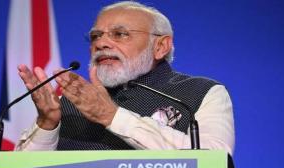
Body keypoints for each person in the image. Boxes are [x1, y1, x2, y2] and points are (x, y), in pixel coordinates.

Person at [15, 1, 235, 155]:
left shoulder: (199, 93)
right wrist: (47, 124)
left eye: (120, 34)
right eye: (95, 36)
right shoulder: (71, 102)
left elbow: (213, 160)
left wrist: (111, 115)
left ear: (160, 46)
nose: (101, 43)